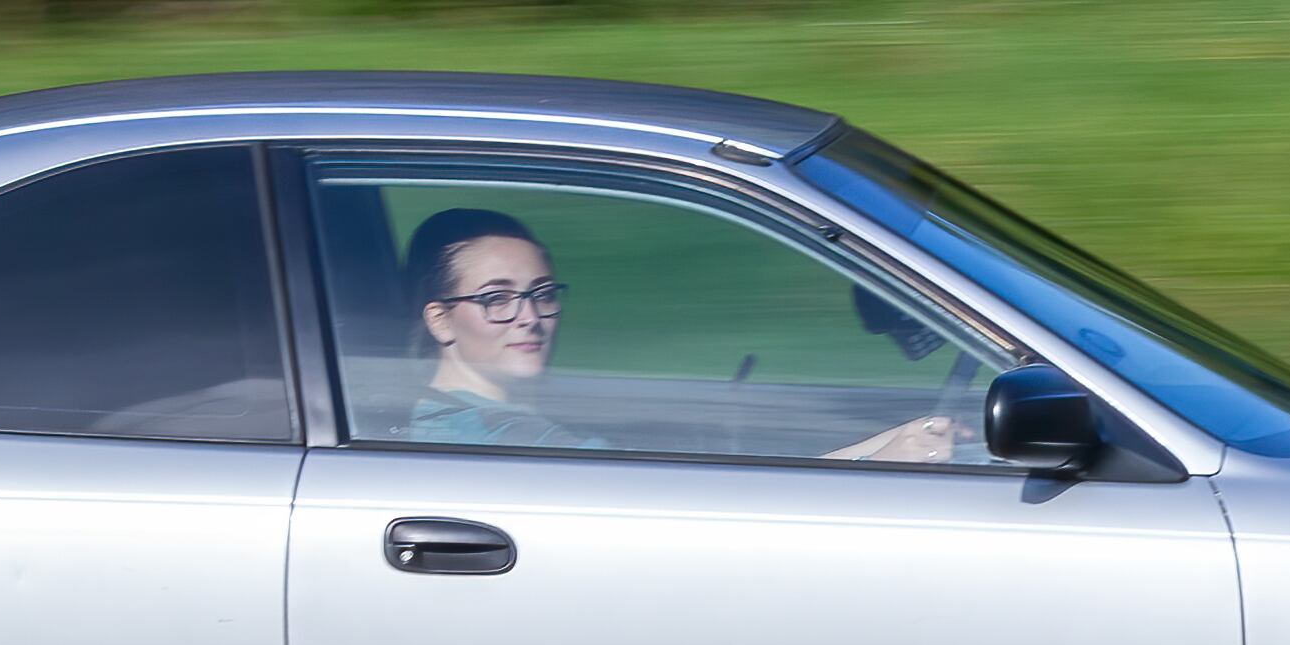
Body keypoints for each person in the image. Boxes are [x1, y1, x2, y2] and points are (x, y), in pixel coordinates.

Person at [402, 208, 963, 461]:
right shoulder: (492, 439)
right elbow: (704, 511)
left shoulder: (478, 419)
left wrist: (891, 441)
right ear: (440, 320)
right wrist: (881, 463)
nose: (529, 316)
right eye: (496, 299)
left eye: (542, 293)